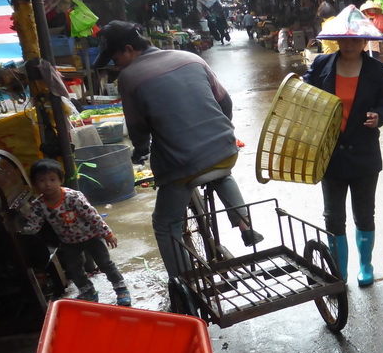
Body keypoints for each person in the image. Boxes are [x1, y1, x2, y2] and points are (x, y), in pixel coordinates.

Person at [93, 21, 264, 281]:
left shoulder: (129, 77)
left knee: (164, 224)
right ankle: (245, 225)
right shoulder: (190, 57)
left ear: (129, 49)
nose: (116, 66)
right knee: (221, 173)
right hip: (225, 149)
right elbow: (225, 103)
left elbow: (138, 130)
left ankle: (185, 282)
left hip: (183, 164)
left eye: (116, 58)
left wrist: (140, 152)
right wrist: (222, 133)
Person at [303, 6, 383, 287]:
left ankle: (365, 265)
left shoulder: (377, 70)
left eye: (357, 39)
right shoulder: (321, 65)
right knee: (333, 217)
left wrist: (379, 116)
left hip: (365, 156)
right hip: (329, 154)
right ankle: (338, 270)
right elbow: (305, 92)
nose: (351, 44)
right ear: (338, 40)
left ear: (365, 40)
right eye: (346, 38)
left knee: (365, 213)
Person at [19, 159, 131, 306]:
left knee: (105, 264)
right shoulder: (38, 204)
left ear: (60, 180)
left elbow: (93, 216)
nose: (47, 184)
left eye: (52, 179)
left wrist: (107, 233)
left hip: (91, 237)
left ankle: (121, 289)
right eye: (42, 180)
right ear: (34, 184)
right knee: (74, 269)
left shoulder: (73, 197)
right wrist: (20, 234)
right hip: (68, 242)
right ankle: (88, 292)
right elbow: (34, 223)